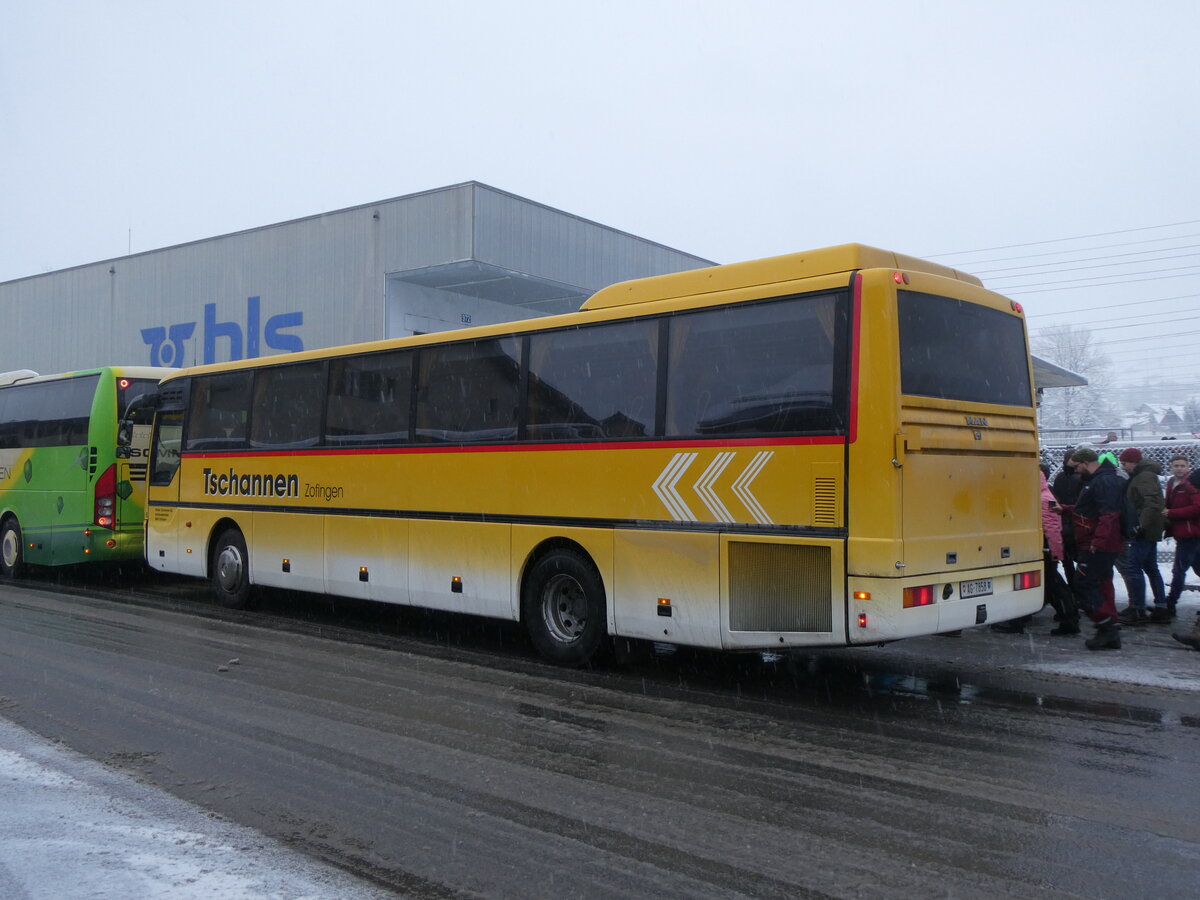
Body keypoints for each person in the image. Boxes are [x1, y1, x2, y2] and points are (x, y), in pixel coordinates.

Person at [1064, 447, 1124, 650]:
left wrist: (1097, 542)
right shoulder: (1104, 479)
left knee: (1083, 584)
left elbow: (1109, 515)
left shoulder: (1102, 481)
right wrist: (1064, 509)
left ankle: (1106, 626)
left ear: (1085, 463)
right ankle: (1111, 628)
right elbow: (1092, 510)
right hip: (1103, 543)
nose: (1078, 472)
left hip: (1097, 545)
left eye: (1078, 468)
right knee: (1103, 583)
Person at [1115, 448, 1168, 624]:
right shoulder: (1142, 475)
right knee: (1151, 568)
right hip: (1149, 530)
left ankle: (1137, 609)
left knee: (1133, 568)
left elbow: (1152, 503)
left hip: (1144, 531)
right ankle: (1161, 607)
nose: (1123, 467)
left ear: (1134, 462)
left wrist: (1140, 526)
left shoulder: (1144, 477)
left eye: (1125, 463)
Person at [1163, 454, 1200, 620]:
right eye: (1176, 465)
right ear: (1171, 467)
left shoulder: (1191, 484)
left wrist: (1171, 513)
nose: (1179, 468)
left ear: (1188, 467)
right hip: (1184, 532)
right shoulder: (1172, 482)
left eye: (1182, 465)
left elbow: (1197, 508)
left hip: (1190, 533)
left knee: (1179, 569)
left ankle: (1170, 605)